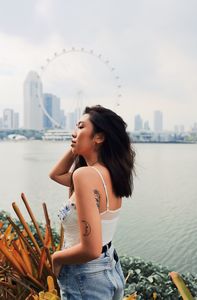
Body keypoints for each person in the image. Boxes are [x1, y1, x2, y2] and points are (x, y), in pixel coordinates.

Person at [49, 105, 135, 300]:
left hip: (85, 273)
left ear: (99, 137)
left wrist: (56, 258)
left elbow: (90, 249)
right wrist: (77, 146)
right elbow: (56, 174)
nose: (73, 132)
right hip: (109, 266)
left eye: (80, 127)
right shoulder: (110, 173)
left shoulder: (85, 176)